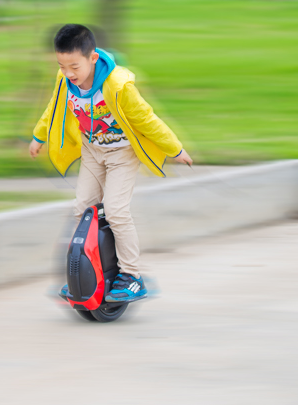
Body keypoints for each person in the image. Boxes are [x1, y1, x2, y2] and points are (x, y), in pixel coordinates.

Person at [29, 24, 193, 302]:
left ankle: (132, 276)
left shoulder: (117, 86)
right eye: (61, 65)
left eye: (74, 66)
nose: (68, 73)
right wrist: (38, 135)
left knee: (116, 211)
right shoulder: (65, 80)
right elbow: (53, 107)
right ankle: (85, 271)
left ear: (92, 58)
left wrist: (174, 149)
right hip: (92, 151)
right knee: (82, 209)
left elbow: (146, 118)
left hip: (122, 154)